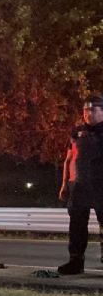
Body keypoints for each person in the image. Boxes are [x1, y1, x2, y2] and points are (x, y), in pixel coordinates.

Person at [58, 95, 103, 275]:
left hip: (101, 185)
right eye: (85, 110)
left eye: (93, 110)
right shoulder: (76, 133)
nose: (88, 113)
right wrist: (64, 184)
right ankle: (75, 261)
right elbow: (69, 159)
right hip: (79, 185)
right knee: (76, 225)